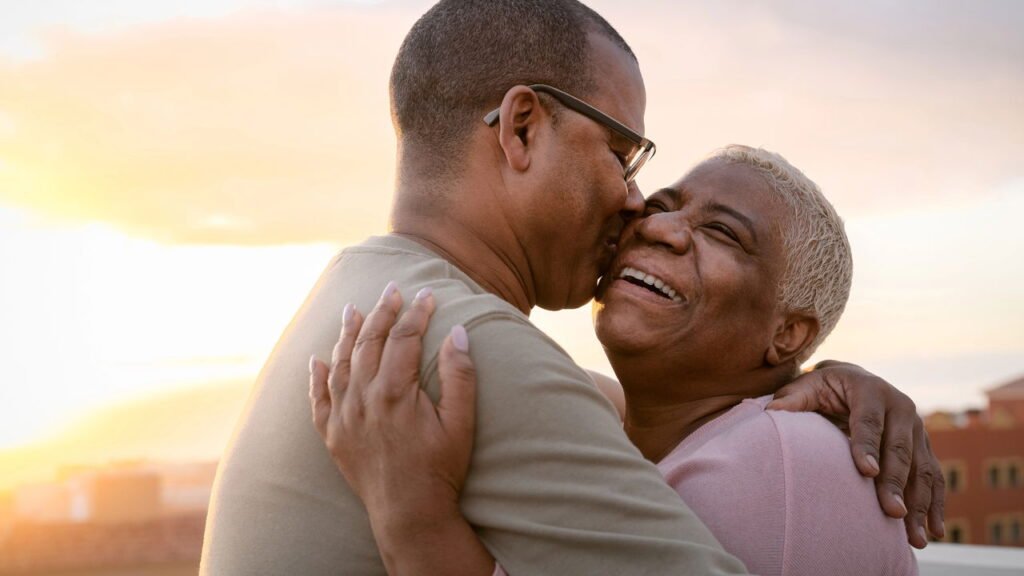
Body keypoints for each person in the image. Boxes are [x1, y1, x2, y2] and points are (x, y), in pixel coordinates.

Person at [201, 2, 943, 574]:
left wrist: (818, 380)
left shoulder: (359, 287)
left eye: (720, 232)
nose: (637, 207)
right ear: (521, 128)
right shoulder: (472, 353)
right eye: (621, 154)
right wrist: (417, 527)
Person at [309, 145, 923, 575]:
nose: (660, 229)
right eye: (659, 206)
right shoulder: (621, 419)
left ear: (788, 334)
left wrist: (413, 519)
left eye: (723, 233)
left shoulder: (783, 458)